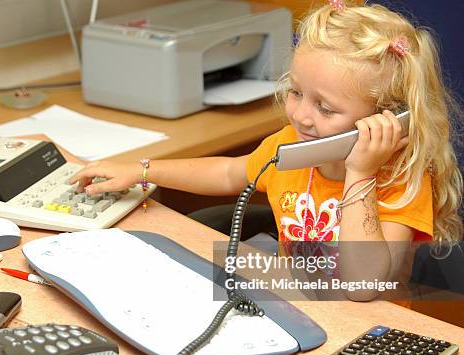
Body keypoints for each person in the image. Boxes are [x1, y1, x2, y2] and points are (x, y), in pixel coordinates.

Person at [70, 1, 463, 300]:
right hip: (301, 304)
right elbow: (228, 173)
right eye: (296, 93)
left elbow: (362, 288)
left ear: (388, 119)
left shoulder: (401, 178)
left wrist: (360, 173)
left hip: (369, 330)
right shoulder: (291, 146)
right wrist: (142, 170)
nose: (301, 116)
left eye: (325, 108)